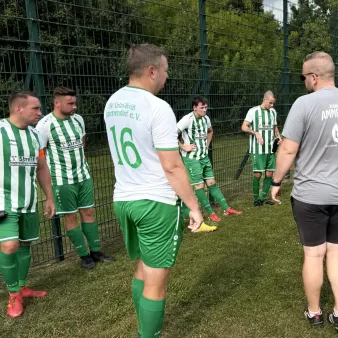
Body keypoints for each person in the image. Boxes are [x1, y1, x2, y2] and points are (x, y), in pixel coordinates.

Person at [104, 43, 205, 338]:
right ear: (151, 71)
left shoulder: (113, 102)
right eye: (165, 70)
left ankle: (142, 326)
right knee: (157, 280)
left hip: (123, 198)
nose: (166, 76)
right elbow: (172, 166)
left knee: (143, 267)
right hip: (155, 203)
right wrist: (194, 206)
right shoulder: (157, 107)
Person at [270, 51, 338, 332]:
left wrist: (276, 181)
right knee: (336, 249)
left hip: (310, 194)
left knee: (314, 254)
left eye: (303, 76)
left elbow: (288, 148)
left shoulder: (304, 104)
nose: (303, 81)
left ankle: (314, 312)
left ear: (313, 77)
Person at [0, 91, 56, 318]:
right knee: (9, 246)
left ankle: (22, 286)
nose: (40, 113)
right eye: (35, 109)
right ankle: (13, 294)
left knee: (25, 245)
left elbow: (41, 167)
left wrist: (49, 196)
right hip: (3, 203)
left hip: (29, 202)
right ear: (18, 109)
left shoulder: (34, 135)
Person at [36, 87, 114, 269]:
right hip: (62, 180)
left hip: (83, 175)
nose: (74, 107)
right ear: (57, 103)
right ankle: (84, 256)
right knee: (70, 217)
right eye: (70, 103)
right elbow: (41, 156)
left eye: (74, 103)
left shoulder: (78, 120)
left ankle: (96, 252)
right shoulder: (45, 125)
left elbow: (82, 143)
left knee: (88, 212)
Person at [177, 96, 243, 224]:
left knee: (211, 182)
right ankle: (210, 213)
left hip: (204, 157)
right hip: (192, 158)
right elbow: (172, 133)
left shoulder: (206, 119)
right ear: (194, 107)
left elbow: (210, 131)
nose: (205, 110)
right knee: (199, 185)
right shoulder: (187, 119)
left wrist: (206, 145)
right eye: (202, 107)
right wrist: (183, 146)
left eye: (206, 107)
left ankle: (226, 208)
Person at [241, 90, 282, 206]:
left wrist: (278, 137)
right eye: (270, 103)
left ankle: (262, 198)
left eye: (273, 103)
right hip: (258, 149)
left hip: (271, 149)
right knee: (258, 174)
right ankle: (255, 198)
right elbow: (244, 127)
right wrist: (256, 133)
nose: (272, 105)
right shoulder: (253, 111)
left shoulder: (273, 112)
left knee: (269, 173)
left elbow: (275, 127)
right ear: (264, 100)